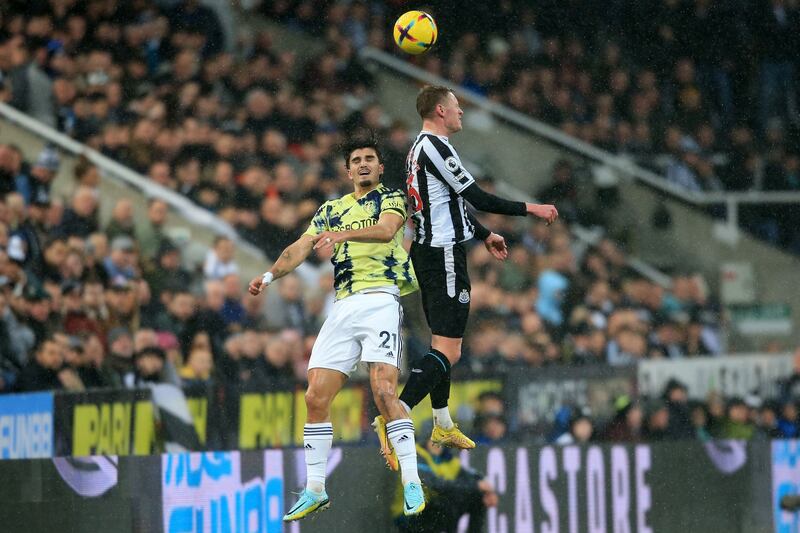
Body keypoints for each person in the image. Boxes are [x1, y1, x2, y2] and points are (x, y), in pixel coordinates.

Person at [248, 138, 425, 521]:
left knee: (382, 390)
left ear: (379, 168)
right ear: (347, 171)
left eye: (369, 160)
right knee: (315, 395)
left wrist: (341, 236)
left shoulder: (391, 198)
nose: (363, 165)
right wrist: (269, 275)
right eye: (356, 161)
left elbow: (386, 229)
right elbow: (300, 246)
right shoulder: (331, 209)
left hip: (381, 298)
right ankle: (315, 489)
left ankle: (411, 480)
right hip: (343, 306)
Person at [394, 85, 558, 449]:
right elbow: (477, 197)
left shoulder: (418, 149)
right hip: (445, 255)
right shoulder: (435, 148)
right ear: (440, 110)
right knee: (450, 351)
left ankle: (441, 421)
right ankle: (399, 411)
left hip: (428, 251)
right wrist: (533, 208)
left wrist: (483, 233)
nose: (461, 112)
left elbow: (446, 203)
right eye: (456, 107)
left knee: (442, 345)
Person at [393, 424, 498, 533]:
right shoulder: (416, 456)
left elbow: (472, 477)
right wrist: (476, 486)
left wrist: (488, 491)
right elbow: (435, 484)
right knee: (449, 500)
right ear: (426, 439)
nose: (438, 445)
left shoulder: (448, 460)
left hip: (433, 511)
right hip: (409, 514)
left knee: (477, 496)